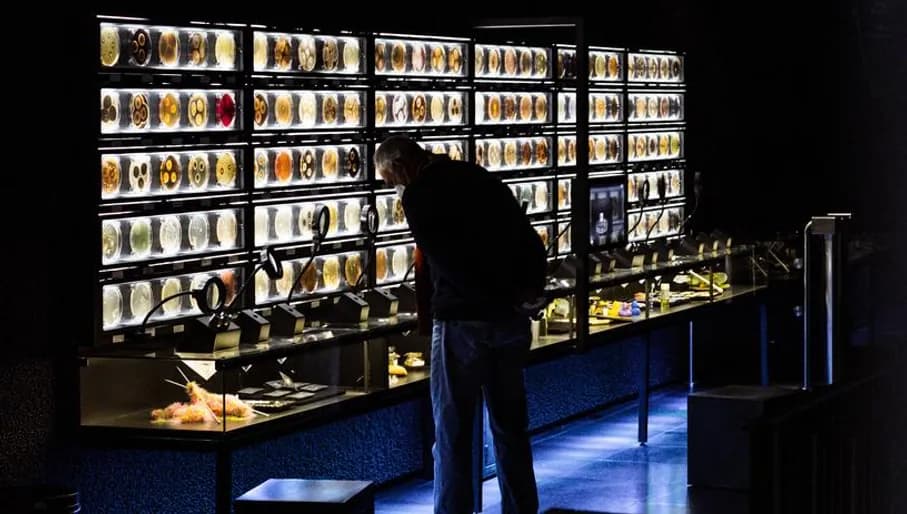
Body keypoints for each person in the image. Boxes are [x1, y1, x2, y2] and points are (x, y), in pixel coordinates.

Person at [374, 136, 546, 514]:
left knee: (452, 431)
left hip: (462, 323)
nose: (395, 189)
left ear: (401, 167)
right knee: (510, 427)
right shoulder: (476, 175)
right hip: (508, 318)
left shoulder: (419, 194)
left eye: (391, 181)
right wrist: (528, 290)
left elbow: (443, 259)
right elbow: (527, 236)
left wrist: (463, 300)